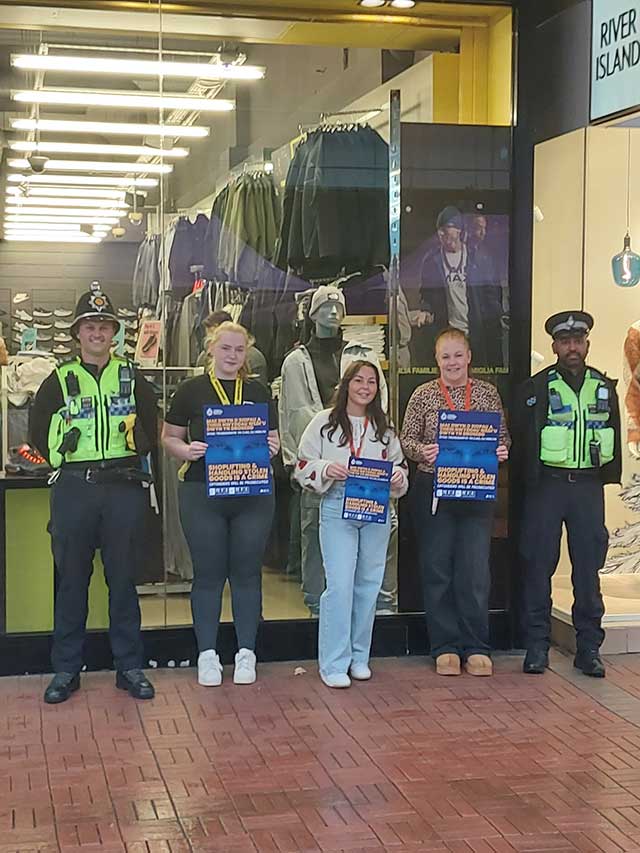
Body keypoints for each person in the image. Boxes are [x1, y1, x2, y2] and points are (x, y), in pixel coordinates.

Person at [30, 285, 158, 704]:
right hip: (74, 489)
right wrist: (58, 458)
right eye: (90, 326)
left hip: (122, 487)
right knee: (71, 582)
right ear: (78, 333)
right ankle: (66, 670)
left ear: (114, 333)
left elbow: (151, 428)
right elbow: (35, 433)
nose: (98, 333)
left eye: (104, 326)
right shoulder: (60, 379)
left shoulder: (132, 375)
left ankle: (130, 667)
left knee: (123, 582)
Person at [162, 321, 279, 687]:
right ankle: (207, 654)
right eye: (225, 348)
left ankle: (246, 652)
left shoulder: (258, 391)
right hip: (202, 492)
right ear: (211, 348)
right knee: (209, 574)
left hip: (252, 494)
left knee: (247, 572)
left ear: (247, 353)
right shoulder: (190, 390)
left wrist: (273, 447)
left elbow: (272, 437)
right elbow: (168, 438)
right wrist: (187, 450)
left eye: (239, 350)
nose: (232, 356)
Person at [516, 311, 622, 678]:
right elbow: (522, 442)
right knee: (538, 566)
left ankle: (589, 649)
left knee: (587, 571)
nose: (572, 347)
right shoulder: (536, 388)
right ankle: (536, 647)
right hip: (547, 486)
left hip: (588, 488)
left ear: (587, 344)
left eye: (578, 341)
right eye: (565, 341)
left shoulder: (604, 386)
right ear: (555, 346)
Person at [401, 328, 510, 677]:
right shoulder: (423, 395)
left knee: (475, 571)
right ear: (436, 360)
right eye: (445, 356)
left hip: (476, 492)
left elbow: (502, 436)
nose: (452, 362)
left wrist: (501, 450)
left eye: (457, 355)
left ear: (469, 357)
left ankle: (476, 645)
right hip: (434, 491)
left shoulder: (487, 394)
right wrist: (423, 451)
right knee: (437, 571)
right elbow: (406, 439)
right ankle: (444, 646)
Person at [295, 360, 408, 688]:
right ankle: (333, 662)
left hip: (376, 507)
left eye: (372, 382)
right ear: (347, 384)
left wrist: (399, 476)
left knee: (369, 585)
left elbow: (399, 469)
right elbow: (302, 465)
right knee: (340, 586)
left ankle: (359, 656)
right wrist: (325, 469)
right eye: (358, 380)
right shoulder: (323, 424)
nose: (365, 387)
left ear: (378, 389)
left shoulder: (384, 430)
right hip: (338, 505)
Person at [419, 206, 504, 368]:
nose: (442, 235)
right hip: (447, 336)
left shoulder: (479, 259)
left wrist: (492, 322)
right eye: (440, 231)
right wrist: (426, 310)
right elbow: (427, 294)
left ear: (458, 230)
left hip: (477, 334)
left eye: (446, 229)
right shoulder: (431, 261)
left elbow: (491, 295)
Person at [196, 310, 268, 385]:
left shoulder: (254, 358)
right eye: (208, 336)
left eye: (213, 334)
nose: (209, 339)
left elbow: (258, 390)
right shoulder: (203, 357)